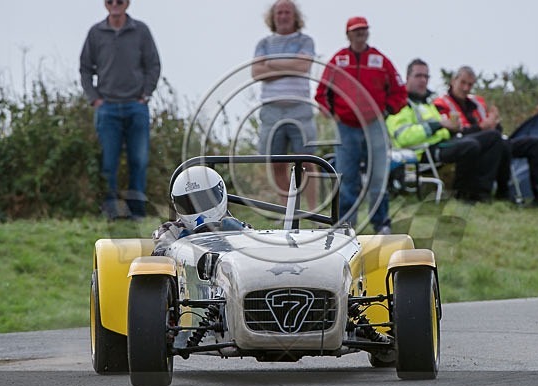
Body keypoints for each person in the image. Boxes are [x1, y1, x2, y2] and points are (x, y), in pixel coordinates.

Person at [315, 16, 407, 234]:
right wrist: (334, 114)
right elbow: (321, 93)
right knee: (347, 177)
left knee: (378, 177)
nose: (360, 33)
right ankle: (346, 226)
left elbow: (400, 92)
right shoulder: (337, 61)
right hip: (346, 128)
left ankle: (381, 224)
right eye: (356, 30)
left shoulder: (380, 61)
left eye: (364, 29)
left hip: (375, 126)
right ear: (348, 34)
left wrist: (387, 111)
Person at [80, 0, 161, 220]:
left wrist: (145, 95)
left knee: (139, 161)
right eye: (110, 1)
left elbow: (153, 65)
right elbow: (85, 69)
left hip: (136, 107)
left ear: (127, 3)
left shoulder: (141, 31)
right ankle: (111, 211)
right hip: (107, 109)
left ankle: (137, 211)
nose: (115, 4)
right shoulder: (95, 33)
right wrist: (94, 99)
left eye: (120, 1)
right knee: (108, 162)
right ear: (105, 4)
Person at [386, 59, 505, 202]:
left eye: (426, 76)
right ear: (407, 78)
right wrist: (437, 126)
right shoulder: (400, 104)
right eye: (418, 76)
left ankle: (483, 193)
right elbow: (403, 137)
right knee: (470, 146)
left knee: (493, 137)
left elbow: (443, 128)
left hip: (443, 143)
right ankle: (462, 194)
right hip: (422, 151)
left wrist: (452, 128)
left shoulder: (426, 103)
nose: (423, 80)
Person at [434, 66, 538, 202]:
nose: (466, 88)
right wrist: (483, 127)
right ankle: (494, 193)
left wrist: (494, 124)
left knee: (534, 143)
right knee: (495, 139)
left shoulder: (478, 102)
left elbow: (495, 128)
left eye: (470, 84)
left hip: (495, 141)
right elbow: (452, 132)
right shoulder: (441, 104)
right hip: (467, 144)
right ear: (453, 81)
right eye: (463, 83)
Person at [252, 0, 318, 205]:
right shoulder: (263, 44)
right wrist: (290, 65)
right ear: (273, 17)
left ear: (295, 16)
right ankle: (288, 211)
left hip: (300, 109)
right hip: (271, 110)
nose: (283, 16)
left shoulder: (305, 41)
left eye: (287, 12)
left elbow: (303, 67)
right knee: (276, 164)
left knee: (307, 161)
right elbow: (257, 72)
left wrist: (271, 63)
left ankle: (313, 212)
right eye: (279, 12)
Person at [153, 166, 249, 255]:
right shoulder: (171, 231)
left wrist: (240, 236)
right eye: (189, 204)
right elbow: (159, 257)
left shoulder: (236, 227)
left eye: (204, 200)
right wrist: (179, 247)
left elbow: (255, 252)